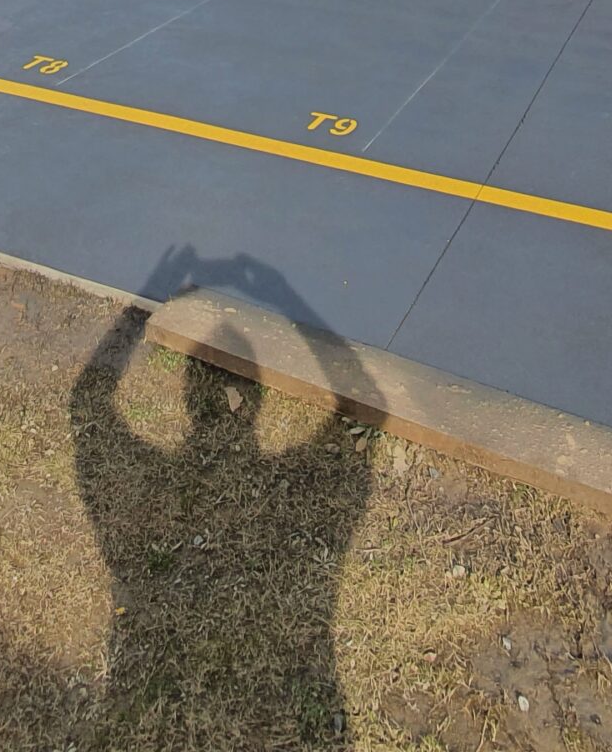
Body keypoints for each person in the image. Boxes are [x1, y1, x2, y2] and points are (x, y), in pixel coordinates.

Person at [68, 247, 383, 745]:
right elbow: (371, 402)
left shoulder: (148, 489)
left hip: (144, 706)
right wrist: (279, 291)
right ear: (250, 410)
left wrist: (151, 295)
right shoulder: (299, 496)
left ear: (190, 402)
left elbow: (87, 405)